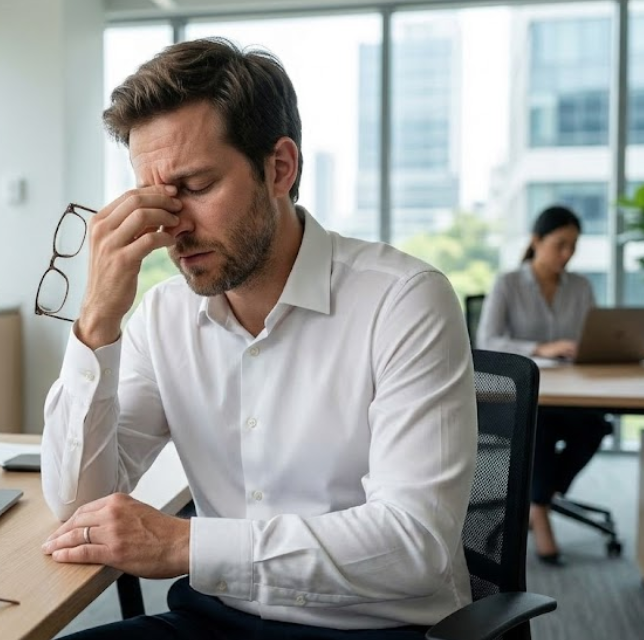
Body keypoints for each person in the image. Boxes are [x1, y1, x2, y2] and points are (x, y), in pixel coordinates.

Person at [39, 38, 478, 639]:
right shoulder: (162, 316)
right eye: (155, 199)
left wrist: (187, 546)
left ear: (280, 168)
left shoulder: (403, 300)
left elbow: (414, 545)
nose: (173, 228)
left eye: (195, 187)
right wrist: (97, 321)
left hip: (376, 630)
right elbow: (77, 507)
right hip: (220, 620)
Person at [477, 205, 612, 565]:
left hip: (572, 388)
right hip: (519, 394)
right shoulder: (508, 283)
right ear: (536, 241)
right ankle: (541, 514)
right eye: (560, 244)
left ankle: (538, 501)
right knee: (541, 424)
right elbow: (487, 340)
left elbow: (591, 335)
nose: (567, 254)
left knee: (597, 426)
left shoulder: (580, 286)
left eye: (573, 246)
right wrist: (540, 348)